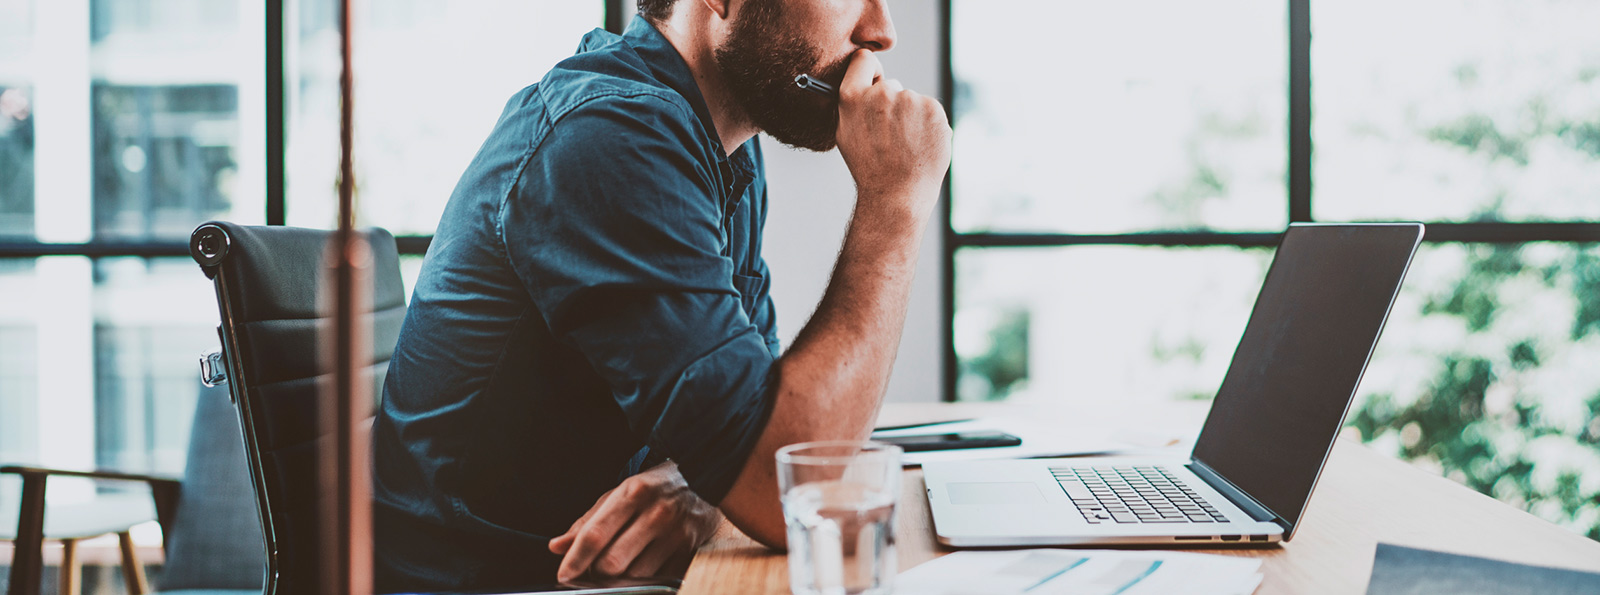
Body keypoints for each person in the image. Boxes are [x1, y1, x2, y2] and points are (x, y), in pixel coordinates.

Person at [370, 0, 950, 591]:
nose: (882, 32)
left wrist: (700, 487)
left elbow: (768, 422)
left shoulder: (724, 147)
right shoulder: (611, 136)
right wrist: (894, 204)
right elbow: (789, 489)